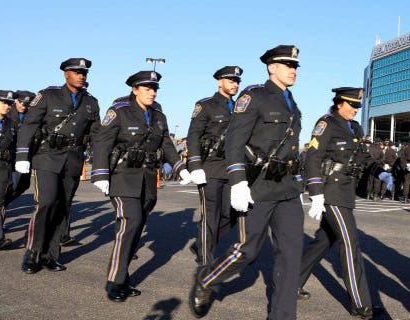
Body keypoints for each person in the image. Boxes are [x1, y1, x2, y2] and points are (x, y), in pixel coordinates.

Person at [189, 45, 304, 320]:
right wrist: (238, 181)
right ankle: (207, 280)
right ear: (271, 67)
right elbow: (234, 141)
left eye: (295, 66)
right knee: (247, 250)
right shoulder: (254, 96)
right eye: (287, 64)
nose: (293, 70)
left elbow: (292, 149)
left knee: (291, 257)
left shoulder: (292, 104)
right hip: (259, 188)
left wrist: (300, 186)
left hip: (287, 189)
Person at [90, 70, 191, 302]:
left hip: (146, 180)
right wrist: (100, 174)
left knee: (134, 229)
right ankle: (114, 281)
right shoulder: (120, 111)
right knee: (131, 222)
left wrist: (179, 168)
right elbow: (103, 142)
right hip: (121, 178)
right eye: (147, 88)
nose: (152, 92)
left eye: (155, 89)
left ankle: (123, 277)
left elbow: (166, 144)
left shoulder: (158, 115)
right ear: (135, 89)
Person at [296, 87, 377, 319]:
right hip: (330, 192)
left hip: (346, 192)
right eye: (352, 105)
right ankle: (361, 303)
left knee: (323, 242)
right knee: (350, 244)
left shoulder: (356, 127)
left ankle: (292, 282)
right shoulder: (327, 123)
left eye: (358, 106)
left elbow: (364, 157)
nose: (355, 110)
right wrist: (316, 193)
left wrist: (380, 171)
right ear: (339, 103)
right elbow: (313, 157)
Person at [15, 58, 100, 273]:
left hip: (72, 160)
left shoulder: (91, 102)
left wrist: (101, 167)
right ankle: (32, 253)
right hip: (47, 157)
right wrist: (22, 156)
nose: (82, 76)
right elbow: (29, 125)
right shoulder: (48, 95)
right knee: (46, 202)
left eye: (84, 73)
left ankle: (51, 255)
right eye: (77, 72)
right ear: (66, 74)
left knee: (63, 207)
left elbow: (97, 136)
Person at [186, 66, 243, 266]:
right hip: (209, 168)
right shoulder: (206, 105)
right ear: (220, 82)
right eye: (230, 80)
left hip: (231, 170)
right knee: (211, 215)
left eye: (237, 81)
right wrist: (195, 166)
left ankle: (201, 244)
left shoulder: (240, 108)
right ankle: (205, 259)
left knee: (231, 215)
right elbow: (193, 135)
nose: (235, 84)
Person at [0, 90, 18, 251]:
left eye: (9, 103)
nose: (7, 106)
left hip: (2, 169)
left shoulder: (13, 125)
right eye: (4, 103)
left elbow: (16, 147)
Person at [3, 91, 35, 209]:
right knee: (8, 185)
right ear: (16, 100)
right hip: (8, 156)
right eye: (21, 103)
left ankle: (0, 204)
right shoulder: (7, 113)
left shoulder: (33, 115)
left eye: (27, 104)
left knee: (24, 184)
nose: (23, 106)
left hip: (25, 156)